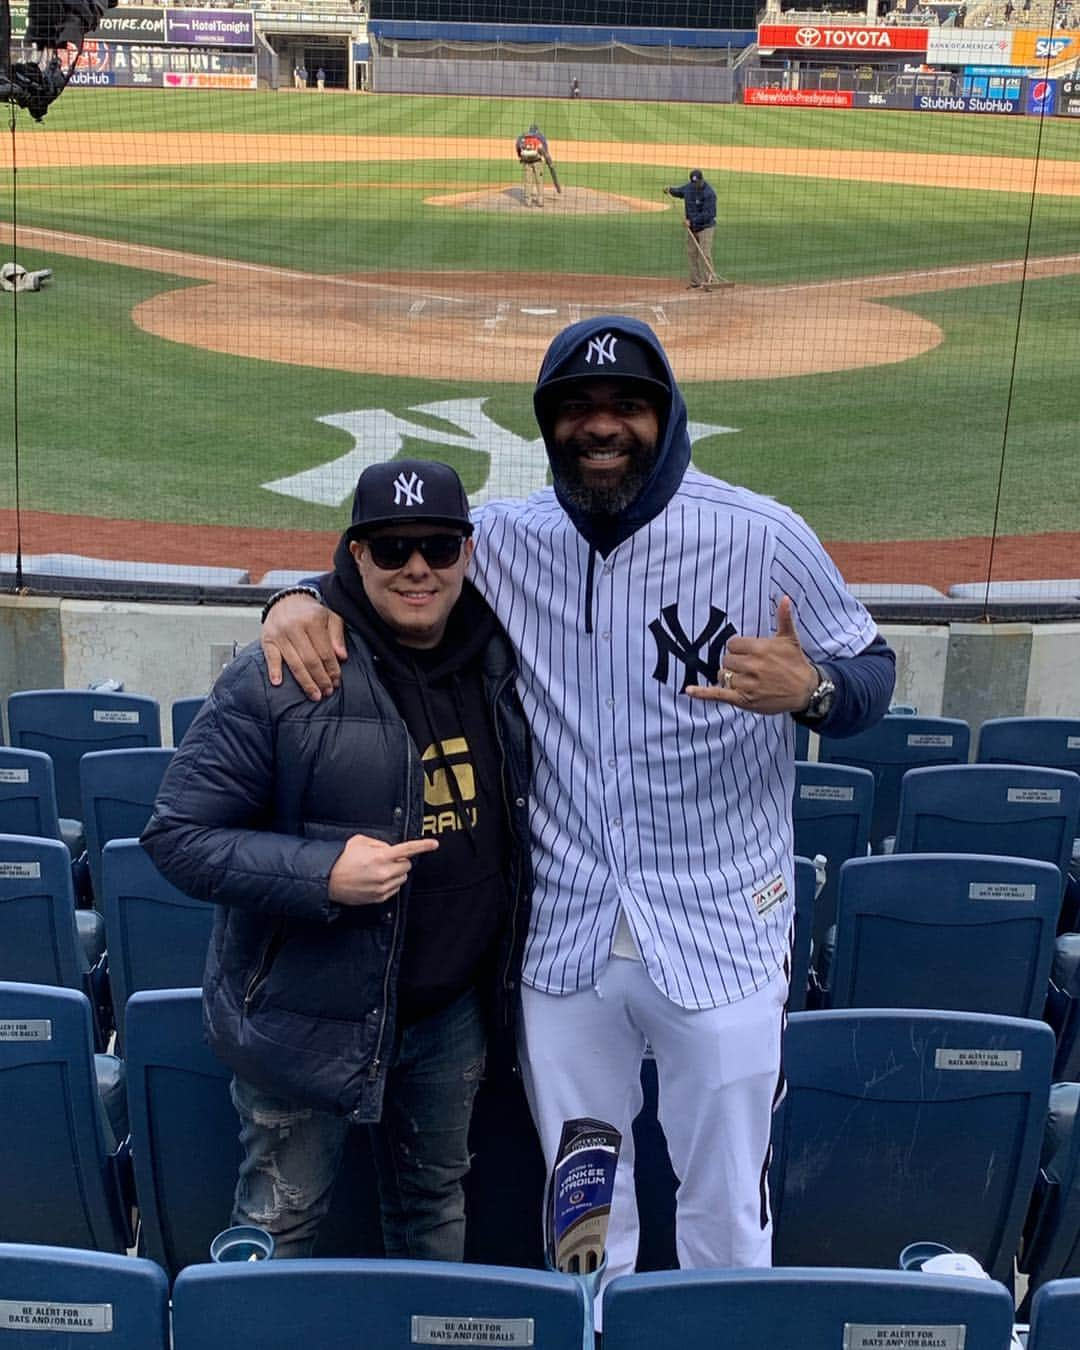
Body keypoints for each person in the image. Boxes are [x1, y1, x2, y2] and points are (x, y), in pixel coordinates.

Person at [260, 318, 896, 1313]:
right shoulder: (509, 540)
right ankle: (600, 1333)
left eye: (626, 406)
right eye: (577, 409)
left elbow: (871, 674)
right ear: (550, 425)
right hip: (567, 938)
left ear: (665, 414)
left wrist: (813, 688)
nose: (601, 427)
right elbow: (386, 572)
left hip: (724, 924)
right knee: (584, 1210)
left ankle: (724, 1336)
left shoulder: (762, 534)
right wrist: (291, 597)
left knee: (727, 1203)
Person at [142, 458, 532, 1262]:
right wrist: (322, 874)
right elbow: (177, 836)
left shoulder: (506, 653)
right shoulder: (284, 665)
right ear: (354, 555)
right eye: (391, 548)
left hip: (448, 1010)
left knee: (433, 1213)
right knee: (278, 1227)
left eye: (439, 545)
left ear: (468, 552)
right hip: (304, 1016)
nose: (417, 566)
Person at [665, 169, 718, 290]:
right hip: (692, 228)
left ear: (701, 180)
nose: (695, 185)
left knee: (705, 253)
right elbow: (680, 191)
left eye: (697, 182)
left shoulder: (709, 193)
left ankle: (710, 282)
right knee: (692, 254)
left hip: (706, 227)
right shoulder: (689, 188)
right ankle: (695, 282)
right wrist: (670, 190)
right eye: (693, 183)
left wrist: (692, 221)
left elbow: (709, 214)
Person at [515, 123, 550, 208]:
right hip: (537, 162)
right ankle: (540, 201)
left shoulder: (522, 137)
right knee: (539, 181)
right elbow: (543, 149)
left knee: (528, 182)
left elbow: (517, 147)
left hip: (526, 162)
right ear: (537, 130)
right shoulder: (539, 137)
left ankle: (528, 202)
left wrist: (520, 157)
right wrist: (547, 159)